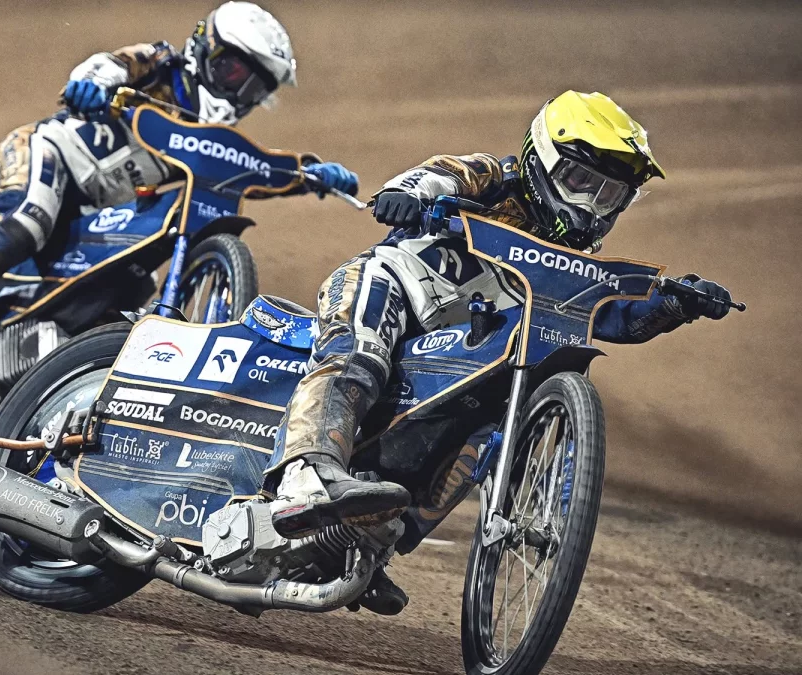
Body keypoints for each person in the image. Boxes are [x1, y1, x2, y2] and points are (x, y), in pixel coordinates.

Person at [268, 90, 734, 542]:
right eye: (580, 181)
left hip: (459, 344)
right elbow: (438, 174)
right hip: (394, 283)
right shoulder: (495, 177)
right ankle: (305, 474)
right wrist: (404, 194)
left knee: (490, 421)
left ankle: (369, 546)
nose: (589, 204)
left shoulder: (575, 269)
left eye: (608, 194)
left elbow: (614, 317)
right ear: (541, 159)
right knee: (358, 353)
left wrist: (675, 304)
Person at [0, 1, 359, 393]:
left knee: (125, 287)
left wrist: (308, 174)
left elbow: (243, 174)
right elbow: (110, 64)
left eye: (252, 87)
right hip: (47, 152)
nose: (238, 90)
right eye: (233, 72)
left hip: (91, 211)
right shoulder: (163, 64)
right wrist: (90, 84)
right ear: (205, 49)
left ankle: (1, 385)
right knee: (28, 217)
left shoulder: (210, 140)